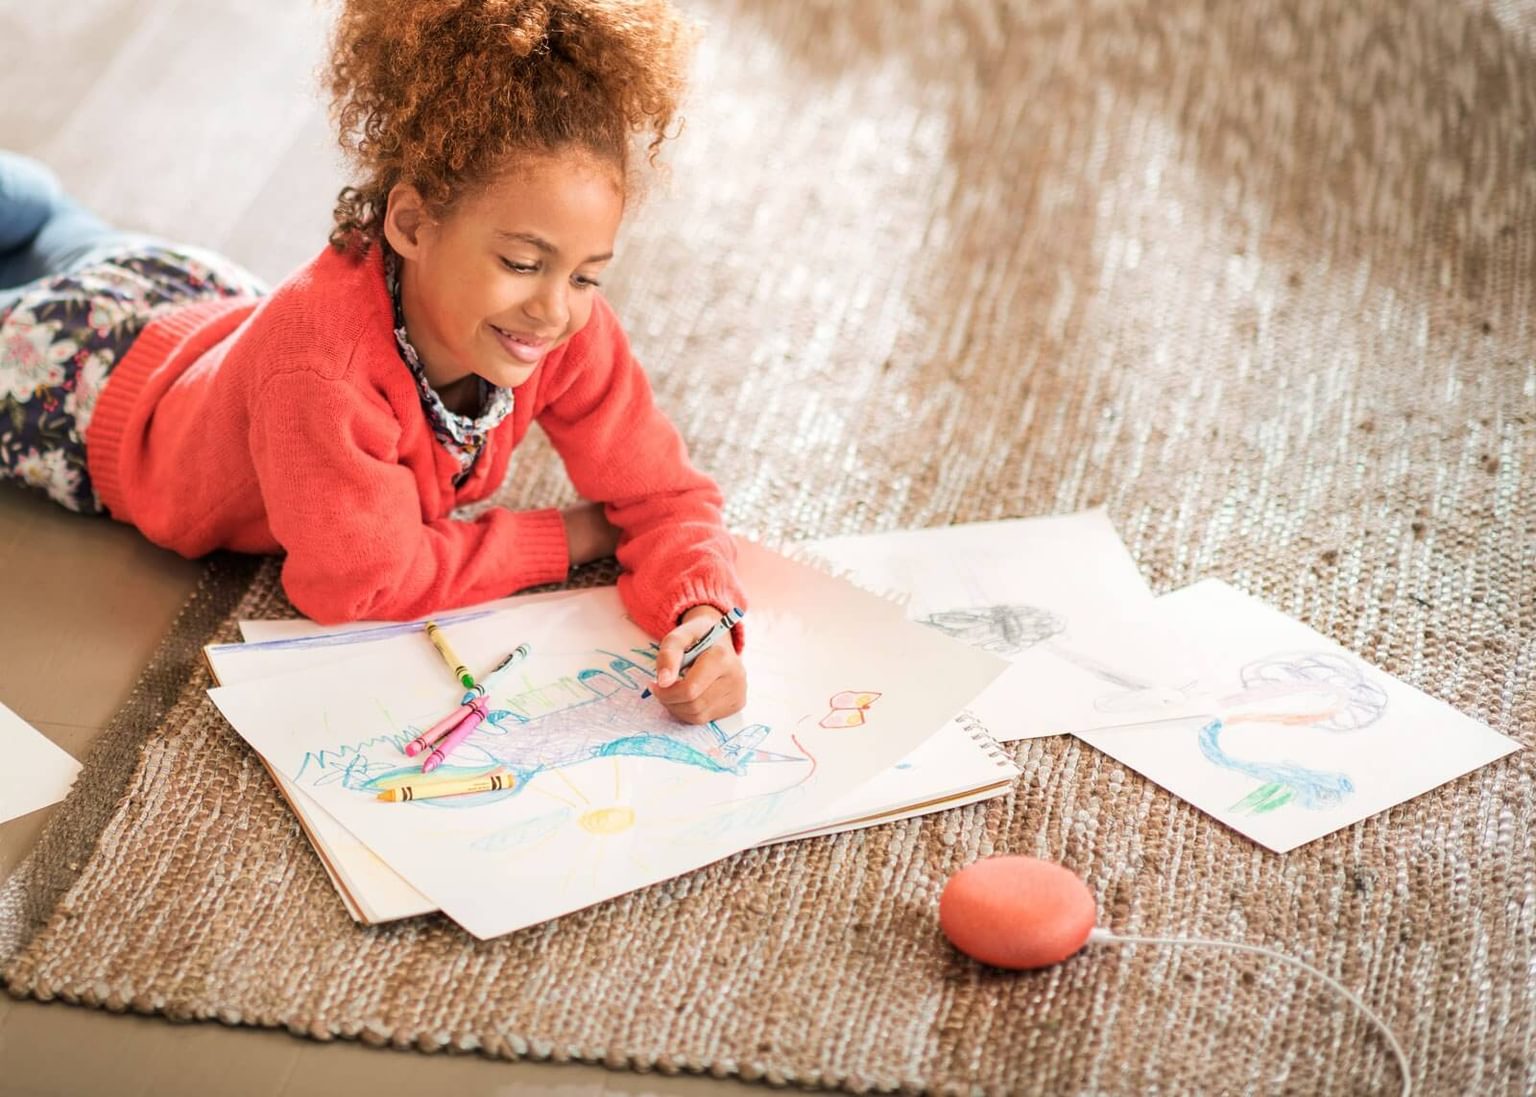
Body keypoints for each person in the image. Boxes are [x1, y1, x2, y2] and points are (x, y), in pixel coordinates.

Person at [0, 0, 746, 724]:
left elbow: (665, 492)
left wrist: (701, 610)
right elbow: (359, 583)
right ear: (413, 223)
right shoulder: (322, 373)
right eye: (523, 262)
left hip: (184, 301)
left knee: (52, 226)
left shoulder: (559, 330)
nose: (557, 309)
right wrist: (574, 535)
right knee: (43, 242)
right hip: (80, 383)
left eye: (587, 276)